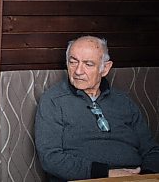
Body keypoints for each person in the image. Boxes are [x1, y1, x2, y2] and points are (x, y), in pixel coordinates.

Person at [35, 36, 159, 181]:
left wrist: (145, 175)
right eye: (73, 62)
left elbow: (151, 150)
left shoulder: (123, 101)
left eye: (88, 64)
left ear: (105, 68)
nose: (78, 71)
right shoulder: (53, 101)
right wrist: (107, 173)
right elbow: (51, 158)